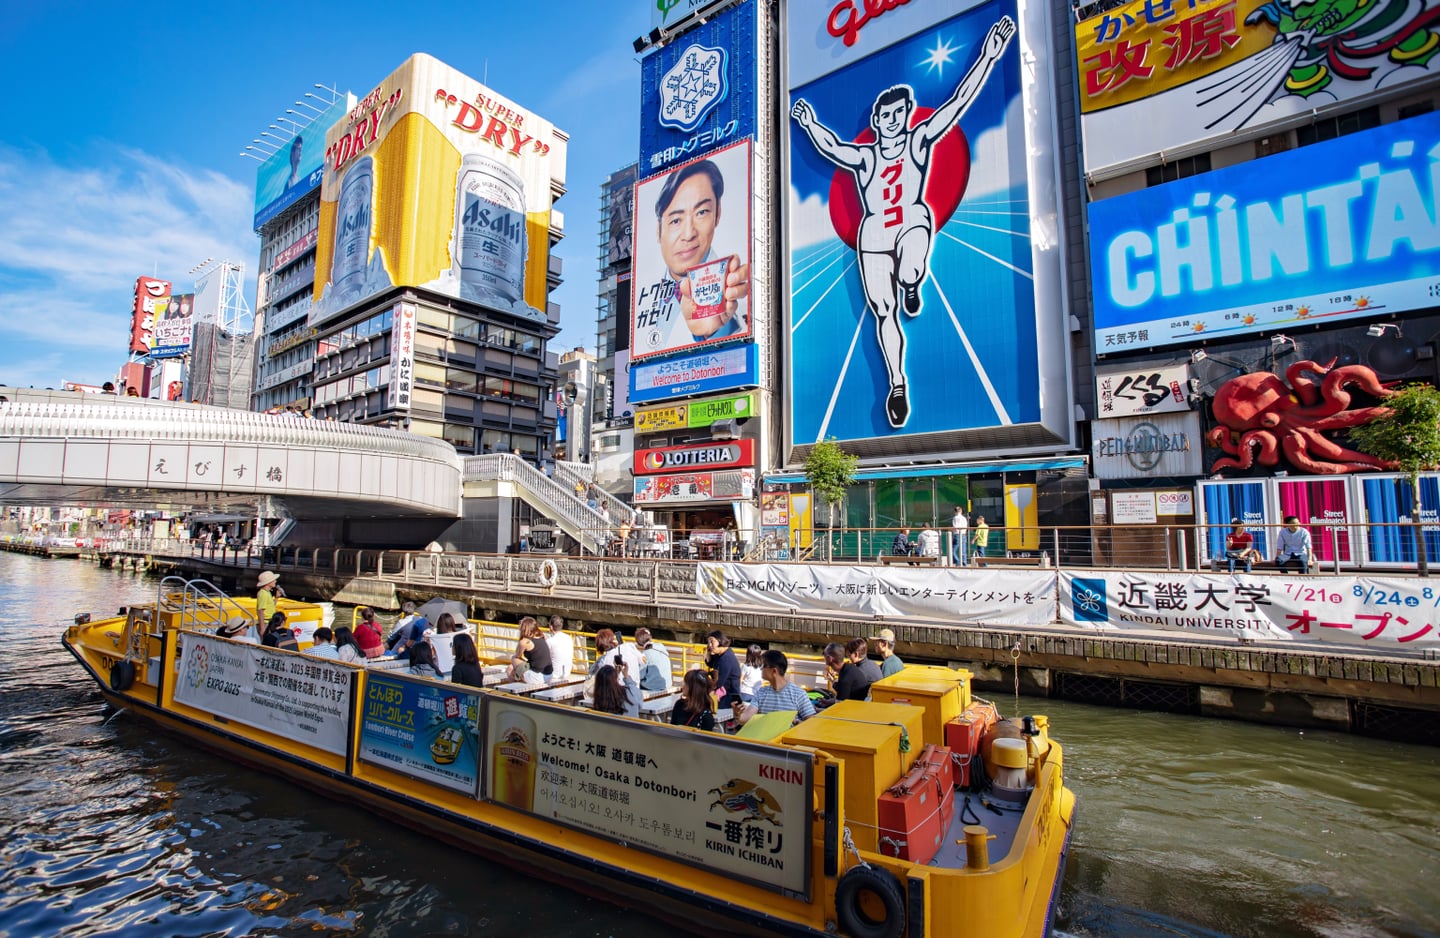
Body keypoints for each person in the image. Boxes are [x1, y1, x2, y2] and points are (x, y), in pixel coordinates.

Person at [790, 17, 1014, 427]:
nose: (892, 119)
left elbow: (958, 103)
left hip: (911, 217)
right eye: (885, 114)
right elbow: (833, 146)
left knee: (911, 259)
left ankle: (912, 281)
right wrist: (807, 124)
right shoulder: (866, 157)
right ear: (876, 121)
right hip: (873, 233)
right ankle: (897, 383)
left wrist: (988, 55)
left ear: (907, 114)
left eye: (898, 112)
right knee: (883, 311)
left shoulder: (918, 139)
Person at [634, 159, 751, 354]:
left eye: (701, 212)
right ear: (658, 229)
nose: (688, 234)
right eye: (676, 220)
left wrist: (713, 334)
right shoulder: (641, 299)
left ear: (717, 214)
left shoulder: (737, 288)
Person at [735, 650, 816, 725]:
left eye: (763, 666)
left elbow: (811, 723)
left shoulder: (799, 694)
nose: (760, 669)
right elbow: (745, 718)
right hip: (765, 740)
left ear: (774, 671)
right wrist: (738, 715)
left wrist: (798, 724)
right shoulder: (761, 692)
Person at [510, 616, 554, 684]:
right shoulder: (542, 636)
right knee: (514, 667)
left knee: (513, 660)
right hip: (549, 675)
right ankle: (519, 681)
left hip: (537, 677)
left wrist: (520, 639)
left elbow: (517, 656)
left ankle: (514, 689)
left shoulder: (524, 642)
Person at [705, 630, 741, 707]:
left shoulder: (726, 659)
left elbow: (718, 682)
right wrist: (708, 652)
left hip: (729, 696)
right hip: (724, 694)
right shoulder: (721, 654)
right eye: (708, 643)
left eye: (712, 642)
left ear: (720, 640)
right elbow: (711, 663)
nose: (709, 645)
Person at [636, 627, 672, 692]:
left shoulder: (644, 654)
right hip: (668, 684)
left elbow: (639, 675)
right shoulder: (661, 646)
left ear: (639, 643)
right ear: (650, 637)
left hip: (655, 687)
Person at [546, 614, 574, 681]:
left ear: (551, 627)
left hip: (553, 675)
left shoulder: (549, 641)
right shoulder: (568, 638)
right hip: (567, 673)